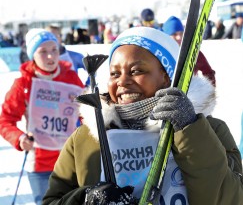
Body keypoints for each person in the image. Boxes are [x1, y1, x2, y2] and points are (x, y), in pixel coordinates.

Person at [42, 26, 243, 205]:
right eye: (114, 73)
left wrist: (189, 129)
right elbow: (53, 199)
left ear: (166, 77)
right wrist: (84, 198)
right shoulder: (86, 138)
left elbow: (231, 198)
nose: (122, 81)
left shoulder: (207, 129)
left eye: (136, 70)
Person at [0, 28, 85, 205]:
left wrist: (84, 109)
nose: (50, 57)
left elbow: (86, 115)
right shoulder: (24, 83)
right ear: (32, 55)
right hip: (40, 163)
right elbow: (5, 120)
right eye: (43, 52)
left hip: (71, 159)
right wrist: (19, 138)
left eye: (54, 50)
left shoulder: (71, 78)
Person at [162, 15, 216, 86]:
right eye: (174, 34)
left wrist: (210, 91)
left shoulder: (193, 52)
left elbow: (208, 73)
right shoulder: (160, 53)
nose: (179, 37)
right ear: (166, 36)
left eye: (181, 33)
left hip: (189, 94)